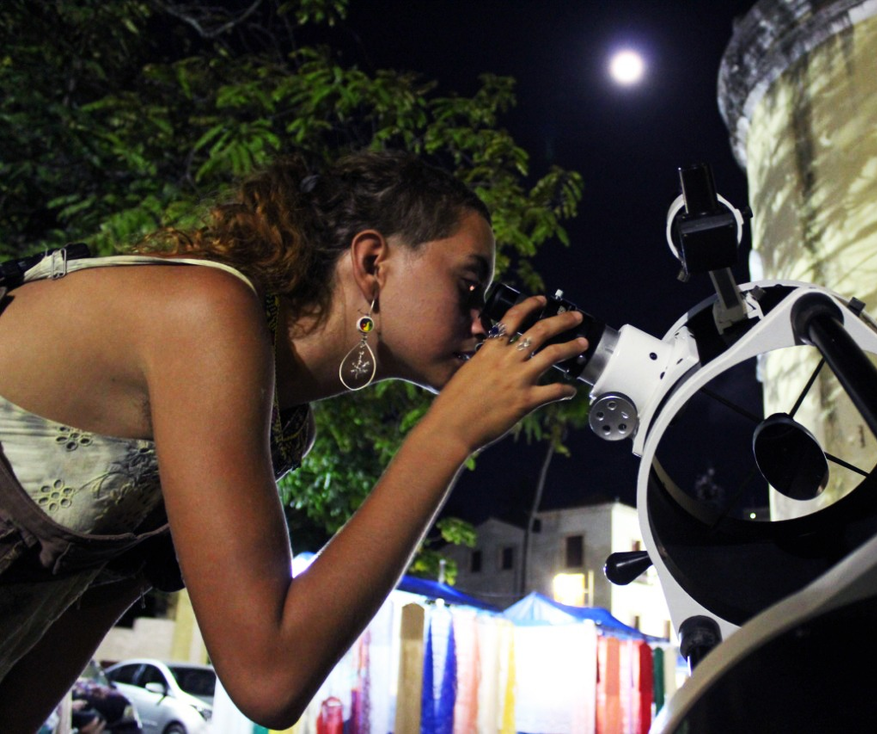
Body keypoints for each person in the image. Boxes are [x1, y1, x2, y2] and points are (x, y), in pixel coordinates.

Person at [0, 149, 587, 731]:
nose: (483, 323)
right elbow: (269, 677)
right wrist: (448, 436)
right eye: (468, 285)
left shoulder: (284, 426)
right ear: (372, 261)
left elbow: (65, 622)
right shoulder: (206, 311)